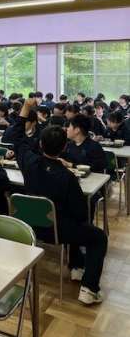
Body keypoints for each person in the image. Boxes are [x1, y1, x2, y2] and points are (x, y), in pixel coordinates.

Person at [11, 98, 108, 305]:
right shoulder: (67, 177)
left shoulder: (29, 163)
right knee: (98, 237)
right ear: (64, 147)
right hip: (58, 231)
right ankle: (89, 289)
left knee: (75, 223)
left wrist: (25, 108)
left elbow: (17, 138)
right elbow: (81, 213)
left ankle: (76, 266)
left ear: (40, 144)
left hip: (29, 227)